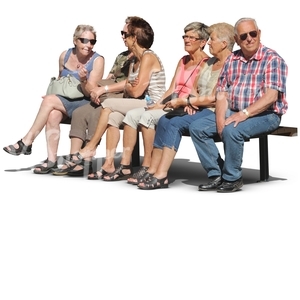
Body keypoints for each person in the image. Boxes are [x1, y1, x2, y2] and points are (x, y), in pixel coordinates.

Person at [189, 17, 288, 193]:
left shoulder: (272, 59)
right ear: (237, 40)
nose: (249, 38)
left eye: (253, 33)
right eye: (244, 36)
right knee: (197, 127)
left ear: (259, 34)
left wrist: (243, 114)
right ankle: (217, 174)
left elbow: (270, 97)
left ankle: (233, 178)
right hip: (233, 110)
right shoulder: (232, 60)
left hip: (267, 114)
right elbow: (222, 93)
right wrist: (220, 119)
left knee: (232, 129)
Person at [103, 22, 211, 182]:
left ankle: (147, 165)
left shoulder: (206, 63)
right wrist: (159, 103)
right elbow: (171, 88)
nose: (186, 40)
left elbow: (201, 90)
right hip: (171, 104)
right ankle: (125, 166)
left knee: (147, 117)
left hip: (183, 107)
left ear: (203, 42)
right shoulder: (183, 60)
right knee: (132, 116)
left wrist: (188, 103)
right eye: (185, 36)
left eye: (191, 37)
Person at [63, 16, 166, 179]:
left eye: (125, 34)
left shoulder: (148, 57)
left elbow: (136, 91)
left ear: (135, 37)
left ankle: (90, 147)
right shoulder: (134, 60)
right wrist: (130, 86)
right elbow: (131, 87)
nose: (123, 37)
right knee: (113, 117)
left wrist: (130, 87)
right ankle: (112, 164)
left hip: (152, 104)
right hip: (139, 103)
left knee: (109, 103)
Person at [137, 22, 236, 190]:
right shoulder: (210, 62)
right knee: (164, 120)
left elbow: (215, 98)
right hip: (200, 108)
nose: (209, 42)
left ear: (224, 44)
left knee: (175, 124)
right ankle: (154, 170)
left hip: (216, 110)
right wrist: (193, 101)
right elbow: (194, 88)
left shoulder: (231, 64)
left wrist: (189, 102)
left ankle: (162, 175)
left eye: (211, 39)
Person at [3, 25, 104, 174]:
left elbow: (92, 93)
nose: (89, 45)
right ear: (75, 40)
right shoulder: (65, 55)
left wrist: (83, 80)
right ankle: (51, 160)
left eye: (92, 42)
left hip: (85, 102)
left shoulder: (97, 60)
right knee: (52, 114)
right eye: (84, 41)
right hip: (65, 101)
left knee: (49, 102)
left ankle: (27, 141)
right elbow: (60, 80)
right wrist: (52, 94)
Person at [52, 17, 134, 176]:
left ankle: (88, 158)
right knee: (79, 112)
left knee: (100, 111)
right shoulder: (122, 56)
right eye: (122, 33)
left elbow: (131, 84)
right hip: (109, 94)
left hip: (124, 97)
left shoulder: (143, 57)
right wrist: (98, 89)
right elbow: (110, 76)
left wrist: (103, 90)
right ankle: (74, 159)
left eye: (126, 34)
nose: (123, 36)